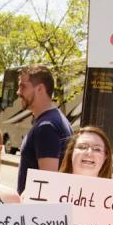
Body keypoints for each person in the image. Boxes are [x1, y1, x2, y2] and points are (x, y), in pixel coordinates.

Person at [15, 65, 72, 194]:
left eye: (23, 86)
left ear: (40, 88)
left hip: (35, 212)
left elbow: (47, 185)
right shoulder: (56, 119)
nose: (18, 92)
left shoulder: (46, 127)